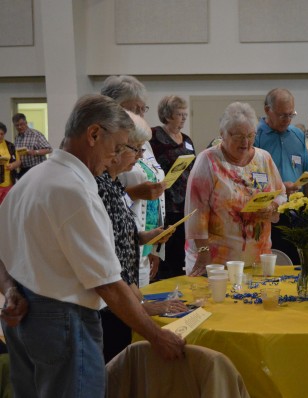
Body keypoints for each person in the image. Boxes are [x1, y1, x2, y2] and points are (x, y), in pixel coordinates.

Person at [0, 95, 185, 398]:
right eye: (117, 148)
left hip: (22, 318)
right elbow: (109, 284)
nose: (116, 158)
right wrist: (156, 336)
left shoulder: (32, 178)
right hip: (63, 321)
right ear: (94, 134)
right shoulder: (75, 191)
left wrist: (9, 290)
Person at [97, 111, 187, 363]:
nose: (139, 156)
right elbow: (108, 259)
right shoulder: (100, 187)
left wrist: (144, 237)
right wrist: (141, 306)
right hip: (110, 306)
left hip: (124, 296)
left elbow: (120, 235)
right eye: (134, 149)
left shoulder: (114, 185)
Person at [186, 102, 286, 276]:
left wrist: (273, 207)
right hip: (217, 263)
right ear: (222, 134)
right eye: (238, 136)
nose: (245, 142)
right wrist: (203, 255)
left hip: (258, 258)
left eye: (250, 135)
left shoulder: (264, 159)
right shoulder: (208, 161)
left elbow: (281, 193)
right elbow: (196, 213)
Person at [101, 75, 167, 286]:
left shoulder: (142, 140)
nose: (140, 115)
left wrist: (153, 246)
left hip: (139, 238)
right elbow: (105, 198)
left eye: (142, 109)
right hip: (117, 250)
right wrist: (134, 193)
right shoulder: (105, 147)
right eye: (134, 109)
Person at [254, 88, 308, 264]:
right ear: (267, 110)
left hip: (296, 212)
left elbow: (306, 172)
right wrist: (279, 188)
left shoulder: (297, 134)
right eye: (282, 115)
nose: (287, 120)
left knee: (297, 262)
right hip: (269, 211)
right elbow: (251, 177)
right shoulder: (255, 136)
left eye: (291, 115)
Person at [150, 95, 196, 280]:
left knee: (182, 252)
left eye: (185, 114)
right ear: (168, 115)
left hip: (185, 202)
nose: (184, 117)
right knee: (167, 251)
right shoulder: (154, 136)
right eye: (180, 114)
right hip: (165, 202)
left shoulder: (186, 139)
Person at [12, 113, 52, 178]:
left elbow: (49, 149)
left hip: (37, 169)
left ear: (26, 123)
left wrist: (35, 152)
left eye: (21, 124)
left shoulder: (36, 135)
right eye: (17, 125)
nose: (19, 127)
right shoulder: (17, 138)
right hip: (23, 170)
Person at [0, 122, 18, 204]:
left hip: (9, 183)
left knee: (7, 207)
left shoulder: (10, 145)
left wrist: (14, 165)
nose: (0, 136)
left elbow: (18, 161)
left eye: (2, 134)